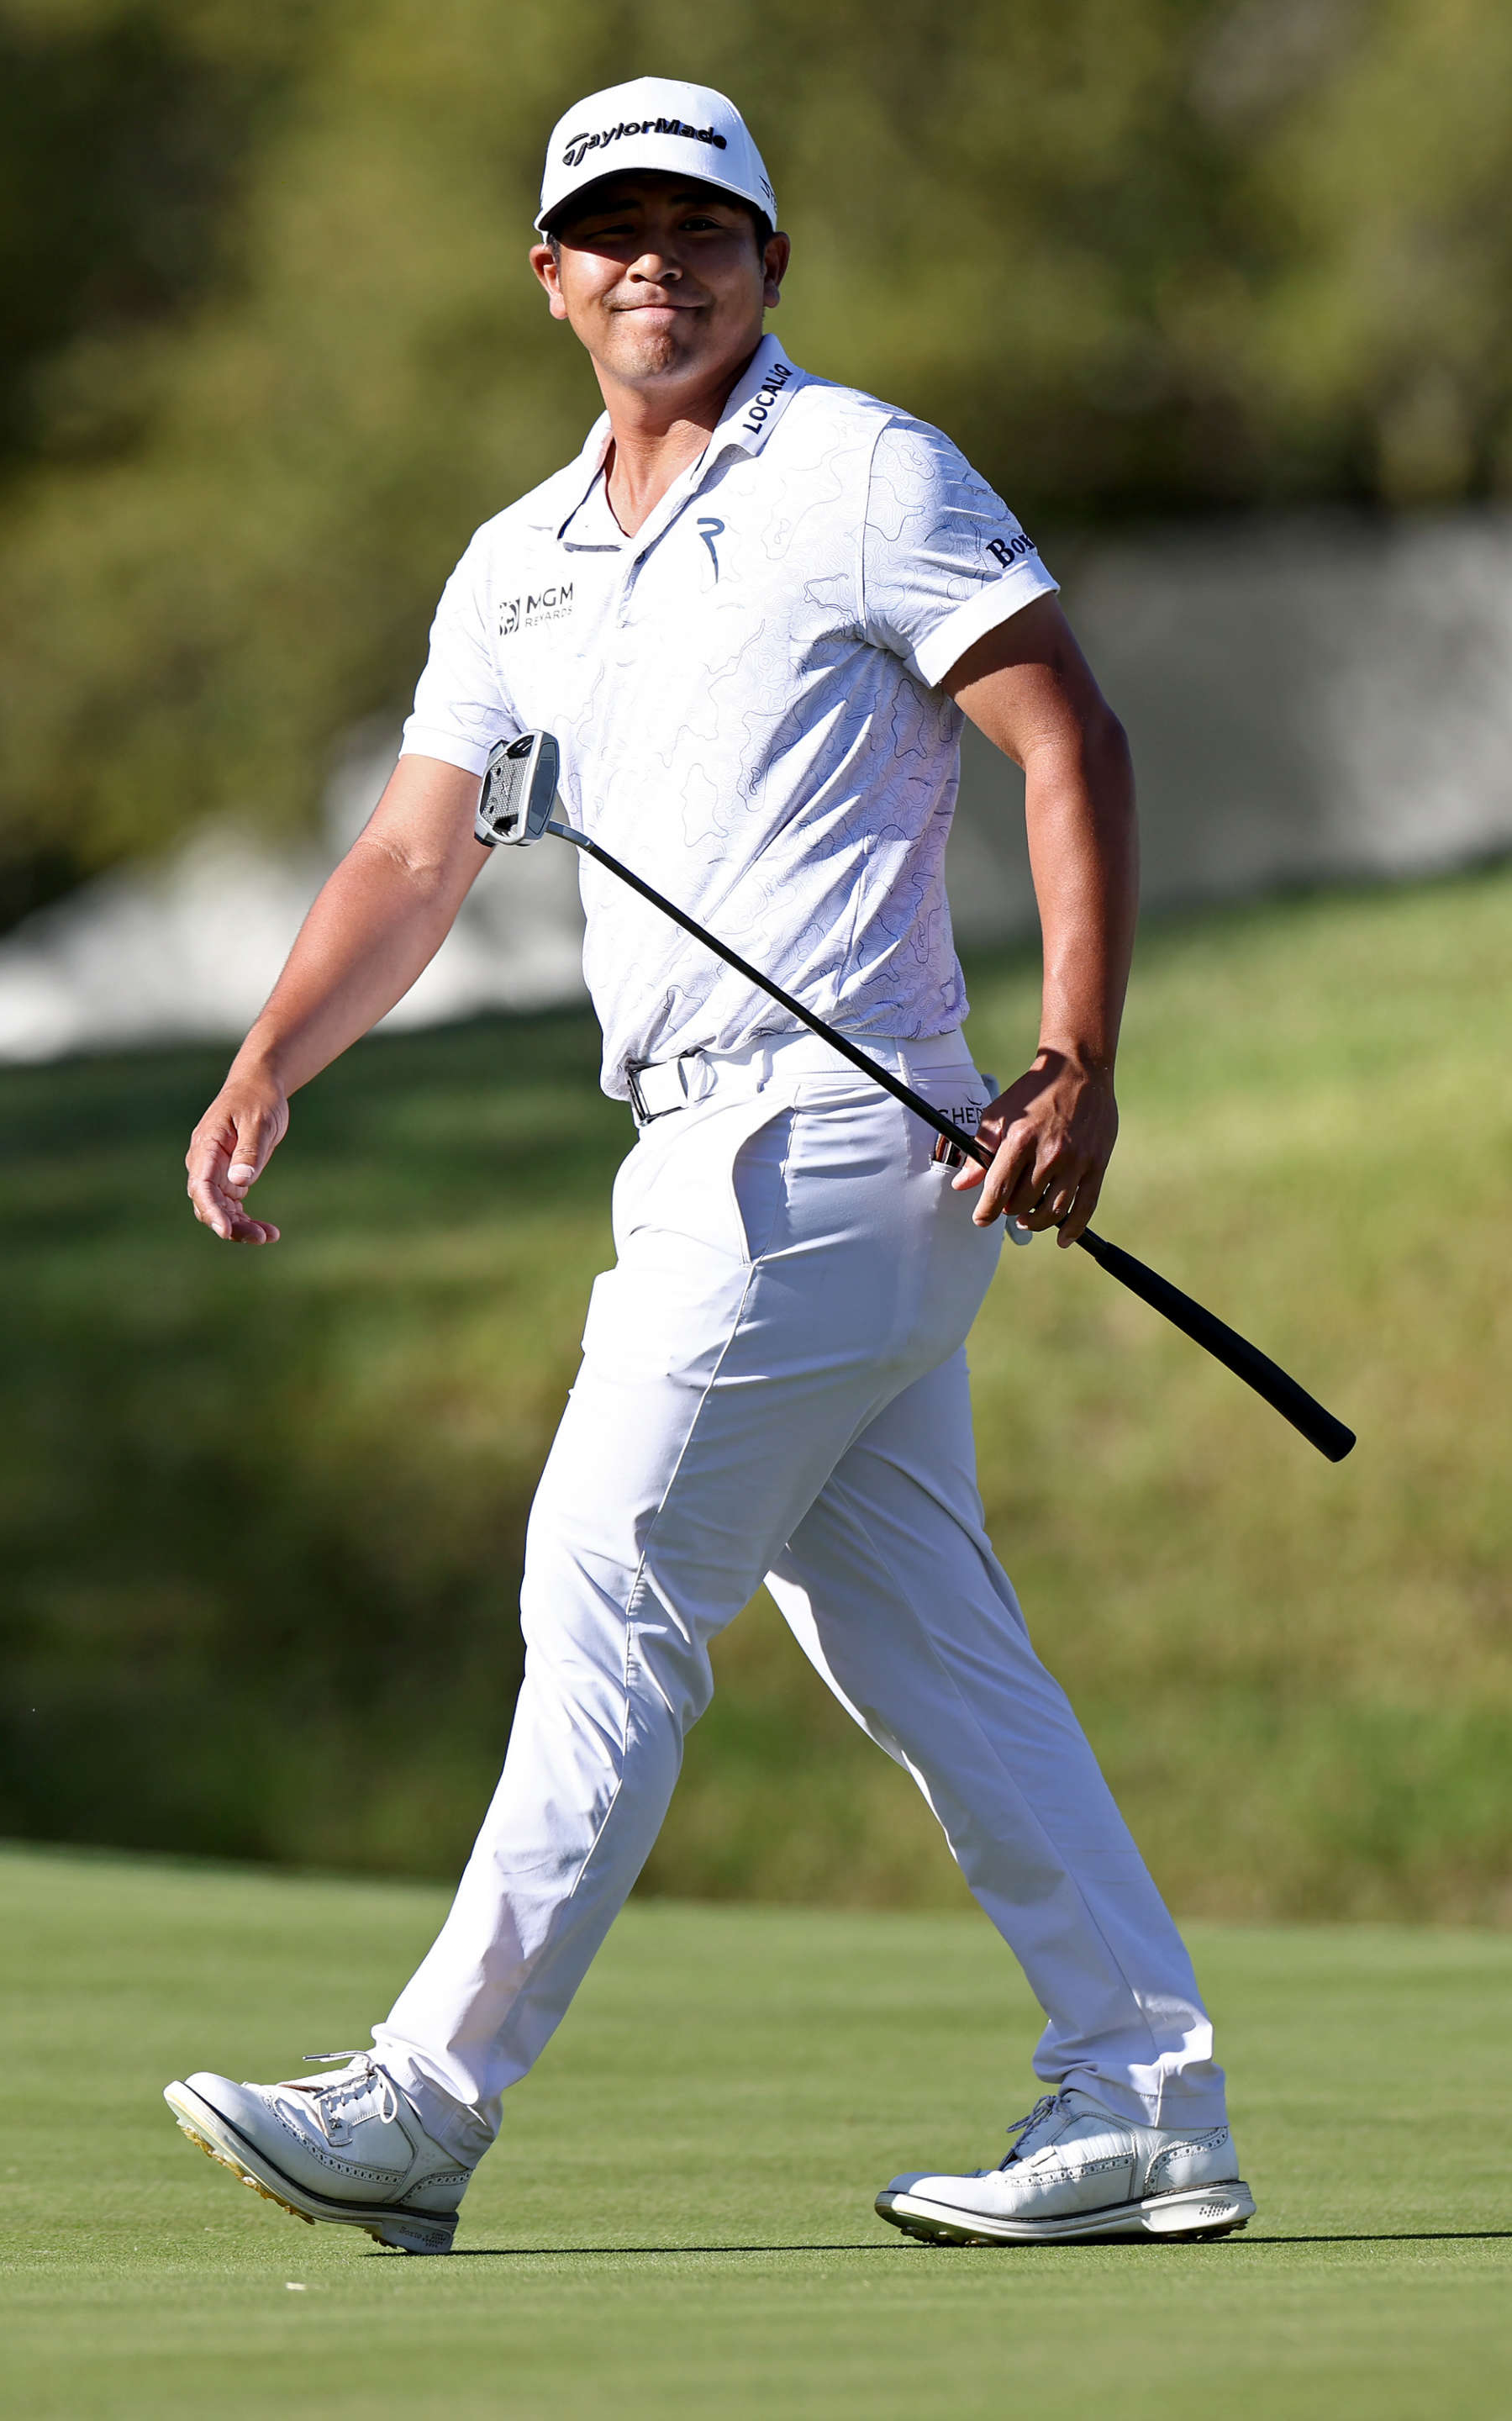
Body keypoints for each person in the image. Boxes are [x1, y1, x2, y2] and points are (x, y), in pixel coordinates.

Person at [165, 76, 1253, 2255]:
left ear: (770, 263)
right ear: (552, 276)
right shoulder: (518, 559)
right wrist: (279, 1050)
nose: (656, 259)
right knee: (928, 1653)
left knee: (606, 1587)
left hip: (844, 1139)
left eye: (703, 225)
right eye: (613, 226)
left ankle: (429, 2098)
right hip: (687, 1157)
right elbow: (413, 845)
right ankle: (1144, 2096)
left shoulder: (864, 473)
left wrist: (1082, 1056)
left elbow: (1069, 732)